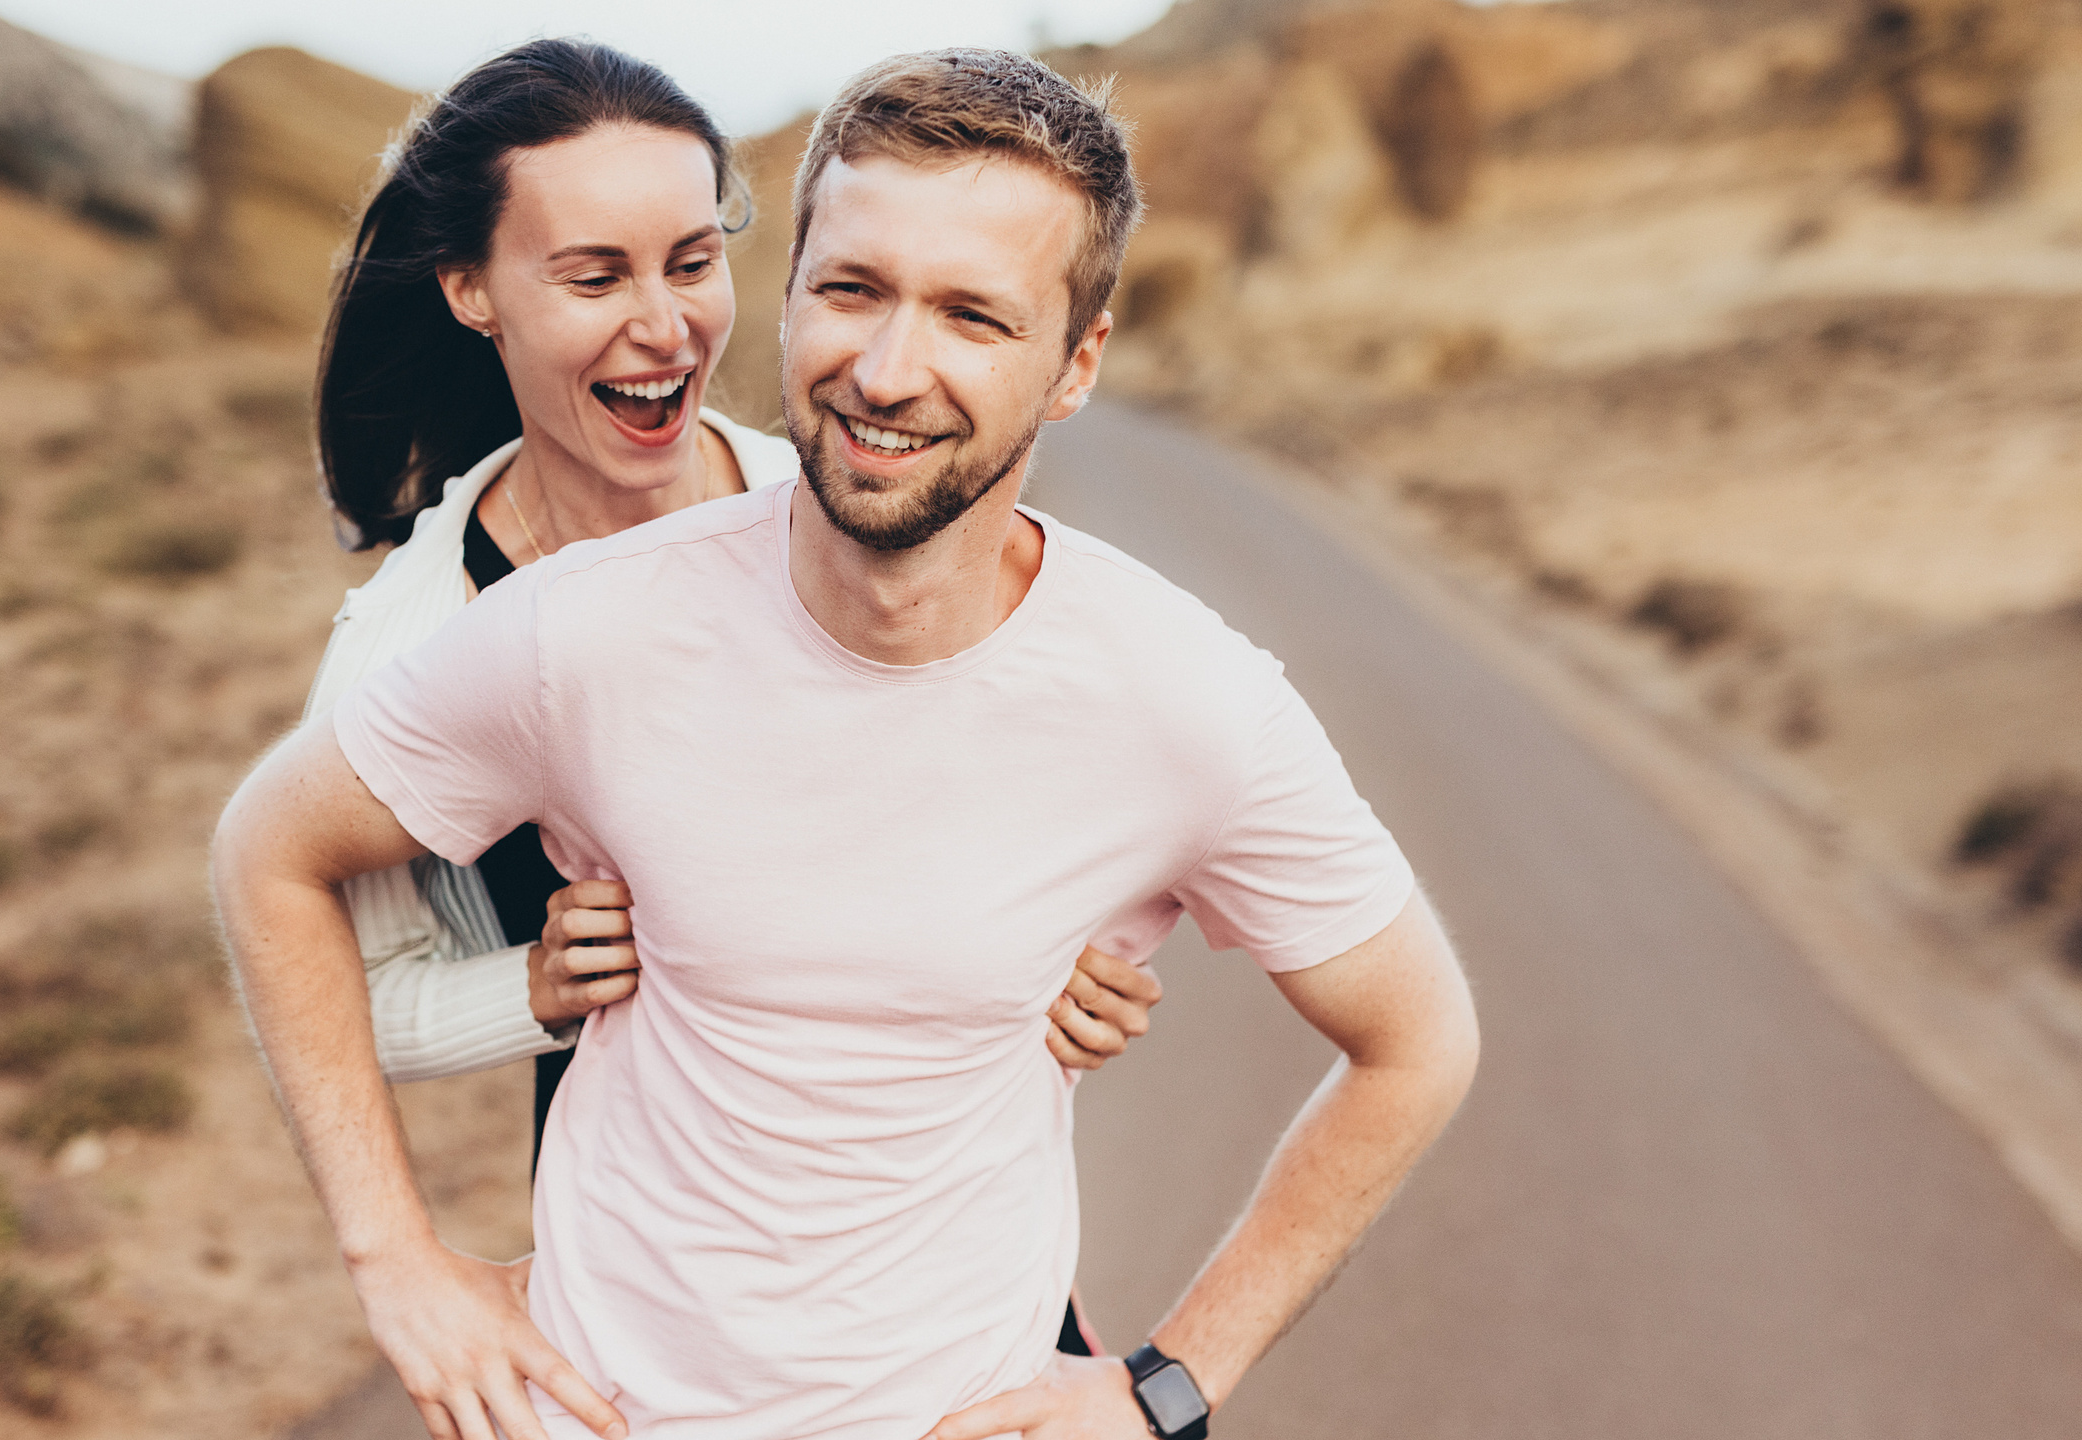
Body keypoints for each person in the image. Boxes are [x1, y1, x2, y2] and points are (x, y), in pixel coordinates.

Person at [217, 46, 1479, 1440]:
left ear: (1078, 361)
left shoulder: (1179, 695)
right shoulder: (550, 629)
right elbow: (274, 858)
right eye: (853, 289)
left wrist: (1161, 1391)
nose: (889, 371)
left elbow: (1417, 1040)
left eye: (974, 317)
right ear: (801, 283)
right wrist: (402, 1254)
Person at [296, 28, 1152, 1358]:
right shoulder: (423, 633)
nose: (665, 324)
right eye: (594, 275)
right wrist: (526, 990)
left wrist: (1063, 969)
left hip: (956, 1256)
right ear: (473, 288)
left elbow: (1006, 808)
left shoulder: (846, 500)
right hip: (674, 1297)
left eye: (693, 263)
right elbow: (344, 984)